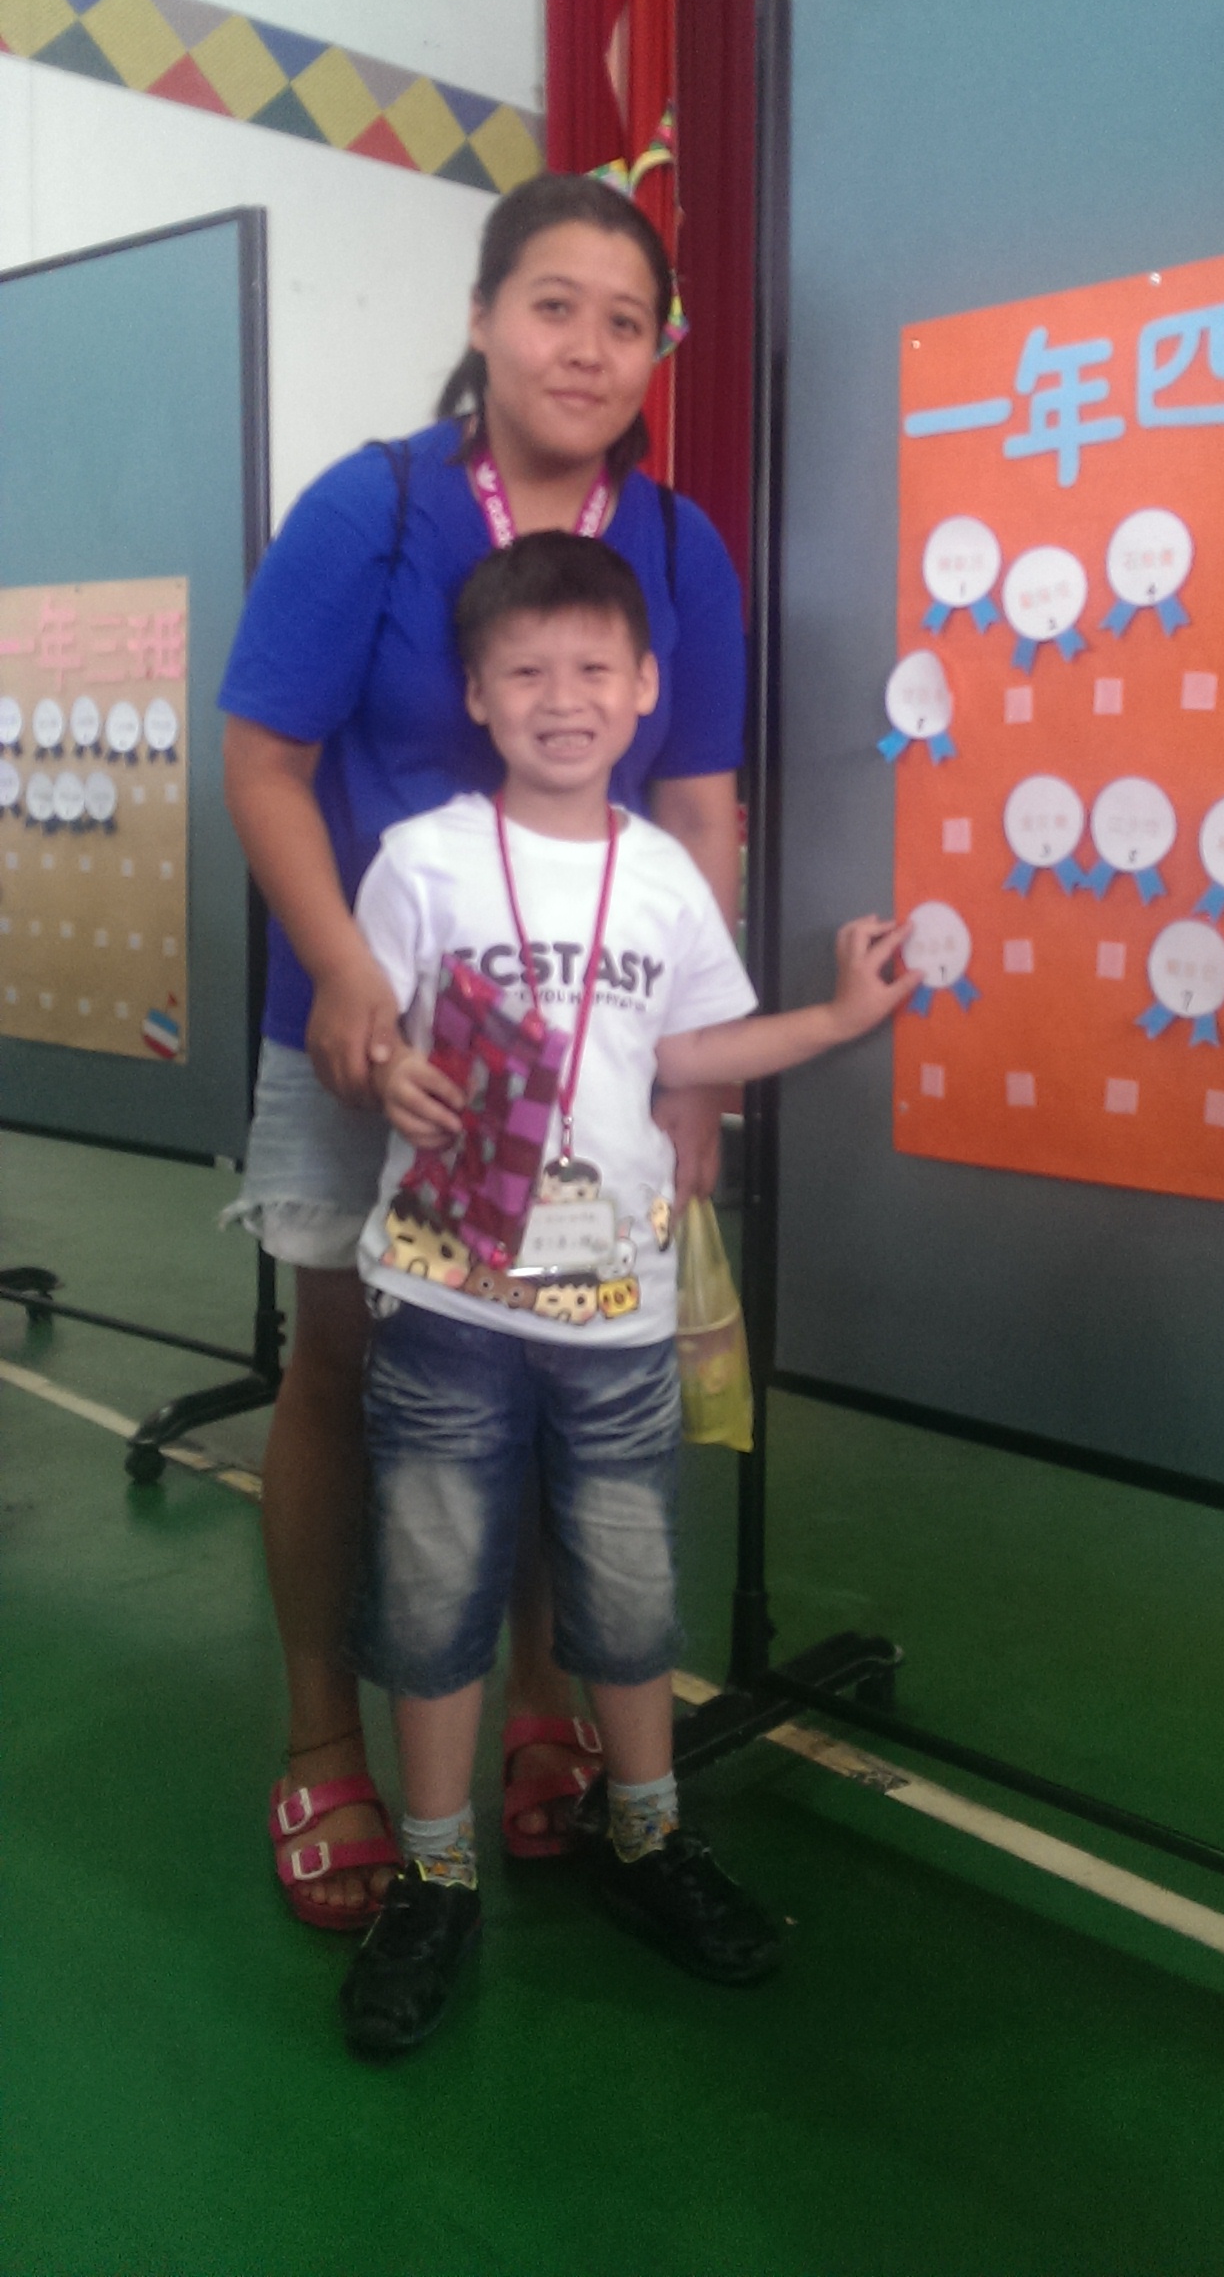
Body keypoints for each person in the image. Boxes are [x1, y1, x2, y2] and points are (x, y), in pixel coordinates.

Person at [220, 174, 746, 1926]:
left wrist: (694, 1063)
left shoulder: (676, 548)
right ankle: (323, 1740)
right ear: (482, 318)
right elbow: (266, 762)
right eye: (553, 305)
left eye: (626, 321)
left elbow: (700, 808)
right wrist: (344, 974)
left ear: (656, 352)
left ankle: (537, 1706)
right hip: (358, 1030)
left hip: (585, 1061)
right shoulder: (368, 511)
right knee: (339, 1362)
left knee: (549, 1361)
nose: (588, 347)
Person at [337, 532, 911, 2055]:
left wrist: (835, 1019)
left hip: (617, 1316)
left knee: (632, 1591)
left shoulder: (660, 874)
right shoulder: (423, 860)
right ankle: (436, 1875)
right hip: (447, 1306)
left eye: (593, 667)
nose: (562, 696)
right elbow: (362, 1036)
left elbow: (690, 1052)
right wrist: (386, 1070)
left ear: (647, 687)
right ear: (475, 694)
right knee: (432, 1596)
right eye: (525, 670)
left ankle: (647, 1837)